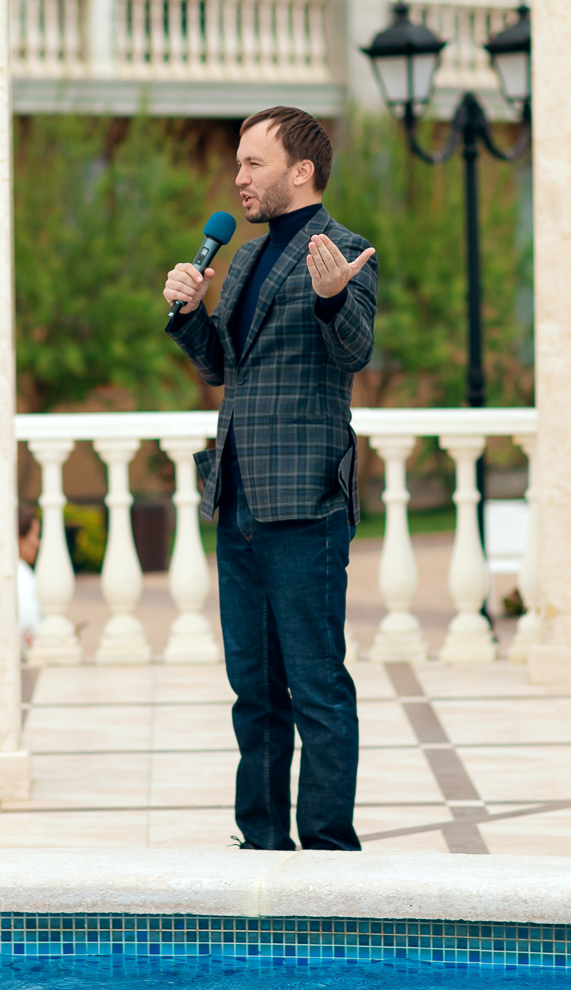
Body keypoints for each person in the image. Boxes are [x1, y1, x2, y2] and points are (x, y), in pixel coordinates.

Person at [162, 105, 378, 852]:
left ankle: (328, 848)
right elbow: (225, 368)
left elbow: (354, 351)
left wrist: (333, 296)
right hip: (239, 500)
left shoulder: (345, 252)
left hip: (306, 503)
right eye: (239, 163)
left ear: (302, 170)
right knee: (253, 690)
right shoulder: (247, 258)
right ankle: (260, 840)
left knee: (317, 687)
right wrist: (191, 315)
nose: (239, 177)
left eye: (253, 163)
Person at [17, 507, 45, 648]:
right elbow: (29, 631)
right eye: (35, 535)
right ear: (20, 540)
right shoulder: (22, 577)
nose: (38, 543)